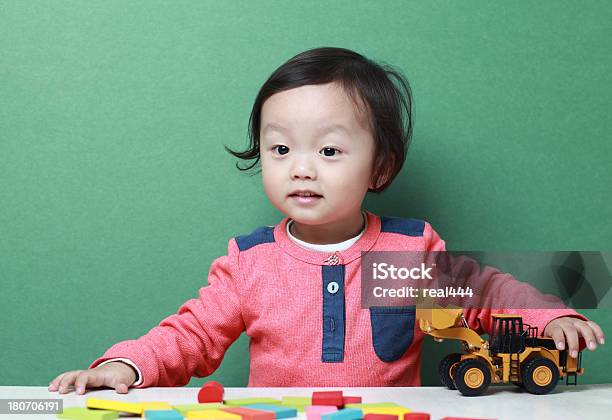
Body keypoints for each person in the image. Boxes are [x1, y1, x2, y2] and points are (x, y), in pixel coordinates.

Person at [49, 47, 605, 395]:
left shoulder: (408, 253)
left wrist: (548, 317)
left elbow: (484, 292)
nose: (302, 168)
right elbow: (190, 335)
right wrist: (125, 365)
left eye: (330, 151)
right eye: (281, 148)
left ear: (380, 166)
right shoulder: (250, 263)